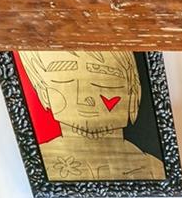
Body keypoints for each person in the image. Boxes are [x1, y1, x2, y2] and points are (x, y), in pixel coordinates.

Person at [18, 51, 164, 180]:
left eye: (104, 78)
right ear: (44, 92)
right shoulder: (36, 165)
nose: (84, 99)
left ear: (132, 91)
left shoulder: (152, 169)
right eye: (65, 80)